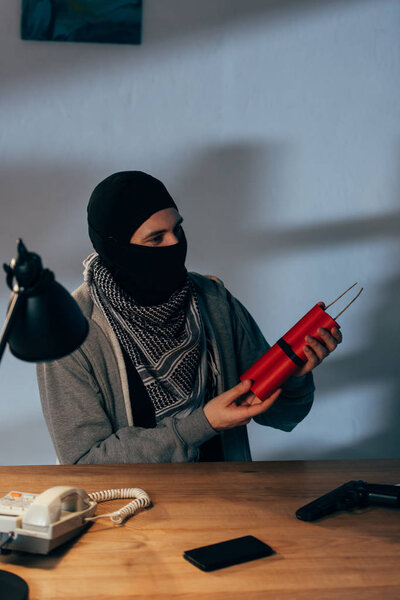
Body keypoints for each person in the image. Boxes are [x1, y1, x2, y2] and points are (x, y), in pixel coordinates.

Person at [37, 171, 342, 464]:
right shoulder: (68, 330)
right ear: (114, 248)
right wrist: (203, 424)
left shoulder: (213, 299)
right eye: (156, 239)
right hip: (129, 511)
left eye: (177, 229)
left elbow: (279, 415)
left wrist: (293, 376)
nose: (175, 244)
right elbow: (84, 462)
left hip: (226, 502)